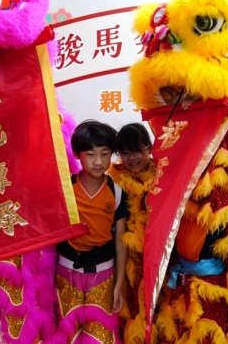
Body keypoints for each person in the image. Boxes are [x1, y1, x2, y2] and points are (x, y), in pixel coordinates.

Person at [54, 120, 129, 343]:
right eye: (90, 154)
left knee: (101, 336)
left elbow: (121, 241)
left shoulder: (117, 192)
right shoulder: (65, 189)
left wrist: (119, 283)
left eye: (105, 154)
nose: (98, 161)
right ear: (77, 154)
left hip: (104, 274)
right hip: (67, 272)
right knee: (68, 335)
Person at [107, 123, 155, 340]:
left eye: (137, 151)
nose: (131, 158)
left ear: (149, 148)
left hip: (159, 261)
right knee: (132, 320)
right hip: (128, 264)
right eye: (124, 153)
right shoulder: (115, 182)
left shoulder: (164, 176)